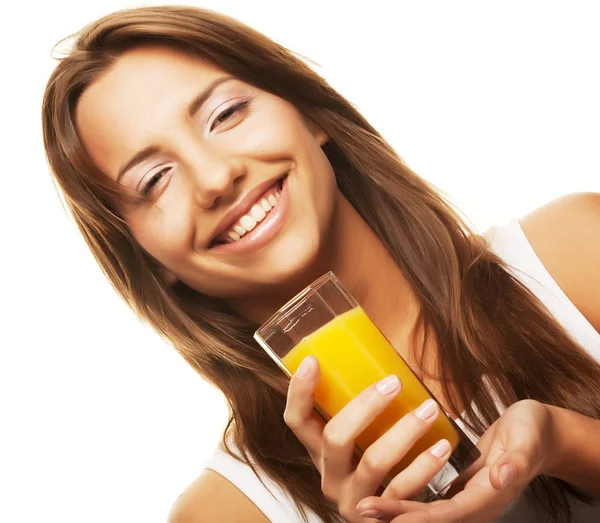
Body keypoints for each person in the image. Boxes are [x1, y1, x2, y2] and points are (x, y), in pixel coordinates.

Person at [41, 5, 600, 523]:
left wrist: (568, 444)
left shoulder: (574, 253)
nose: (215, 178)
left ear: (309, 114)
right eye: (155, 179)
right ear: (147, 260)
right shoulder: (227, 512)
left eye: (227, 113)